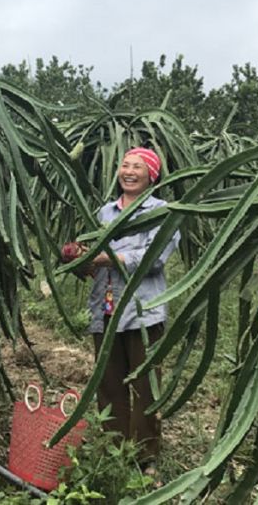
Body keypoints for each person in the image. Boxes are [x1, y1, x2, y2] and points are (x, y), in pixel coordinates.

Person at [82, 147, 180, 463]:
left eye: (138, 166)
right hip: (106, 308)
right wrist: (86, 261)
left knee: (145, 386)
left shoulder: (163, 211)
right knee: (108, 383)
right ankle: (114, 451)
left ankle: (143, 456)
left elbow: (156, 258)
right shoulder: (105, 212)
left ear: (151, 176)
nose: (129, 171)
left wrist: (109, 258)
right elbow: (97, 254)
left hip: (142, 310)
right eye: (125, 165)